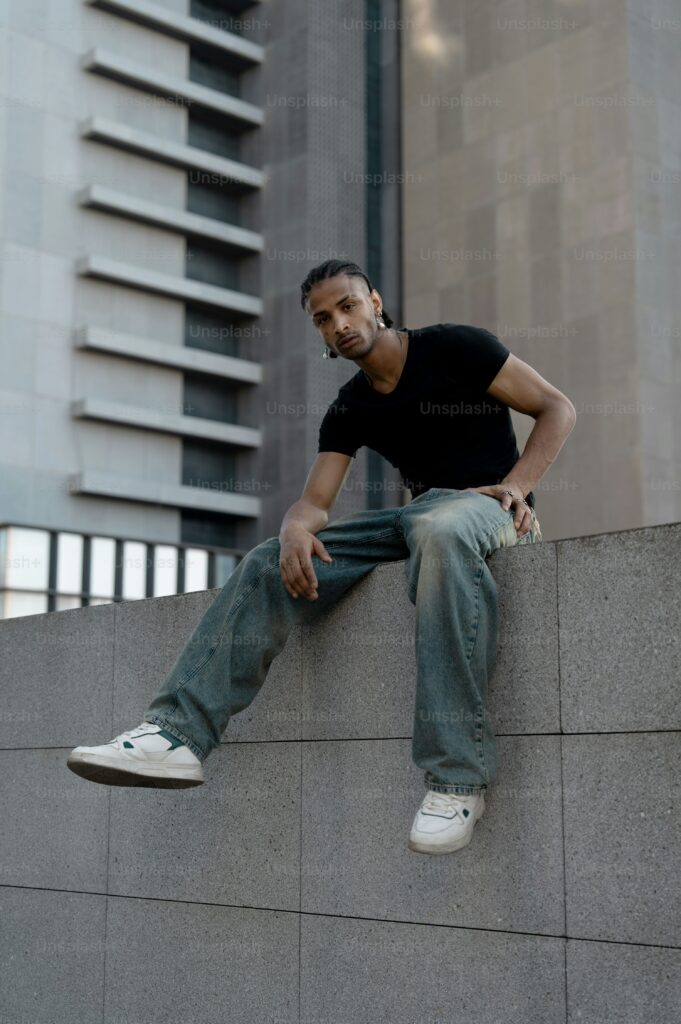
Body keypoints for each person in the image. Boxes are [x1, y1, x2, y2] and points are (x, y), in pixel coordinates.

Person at [67, 258, 576, 856]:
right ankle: (177, 735)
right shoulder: (350, 407)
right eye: (323, 318)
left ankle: (457, 780)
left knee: (439, 529)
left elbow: (556, 407)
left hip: (489, 511)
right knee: (268, 560)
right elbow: (314, 504)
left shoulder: (457, 348)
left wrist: (517, 487)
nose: (339, 324)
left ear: (376, 303)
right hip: (417, 518)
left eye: (348, 306)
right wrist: (292, 530)